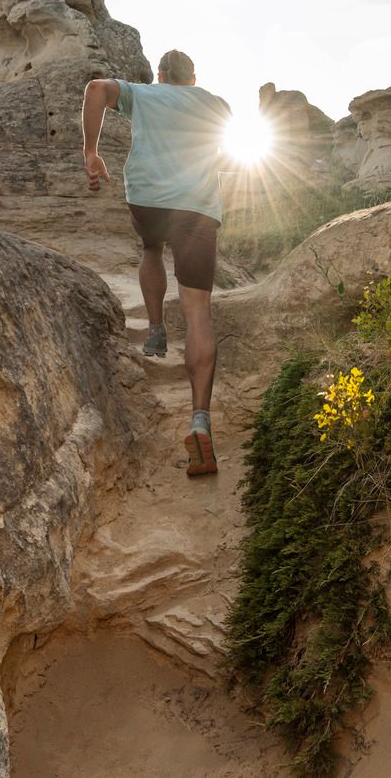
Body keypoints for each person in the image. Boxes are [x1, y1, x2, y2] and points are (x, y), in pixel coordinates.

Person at [82, 50, 230, 477]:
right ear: (193, 77)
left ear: (160, 75)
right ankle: (200, 420)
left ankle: (155, 331)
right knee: (198, 308)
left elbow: (94, 89)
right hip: (198, 206)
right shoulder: (215, 104)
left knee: (151, 248)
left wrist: (91, 153)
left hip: (147, 197)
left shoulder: (142, 94)